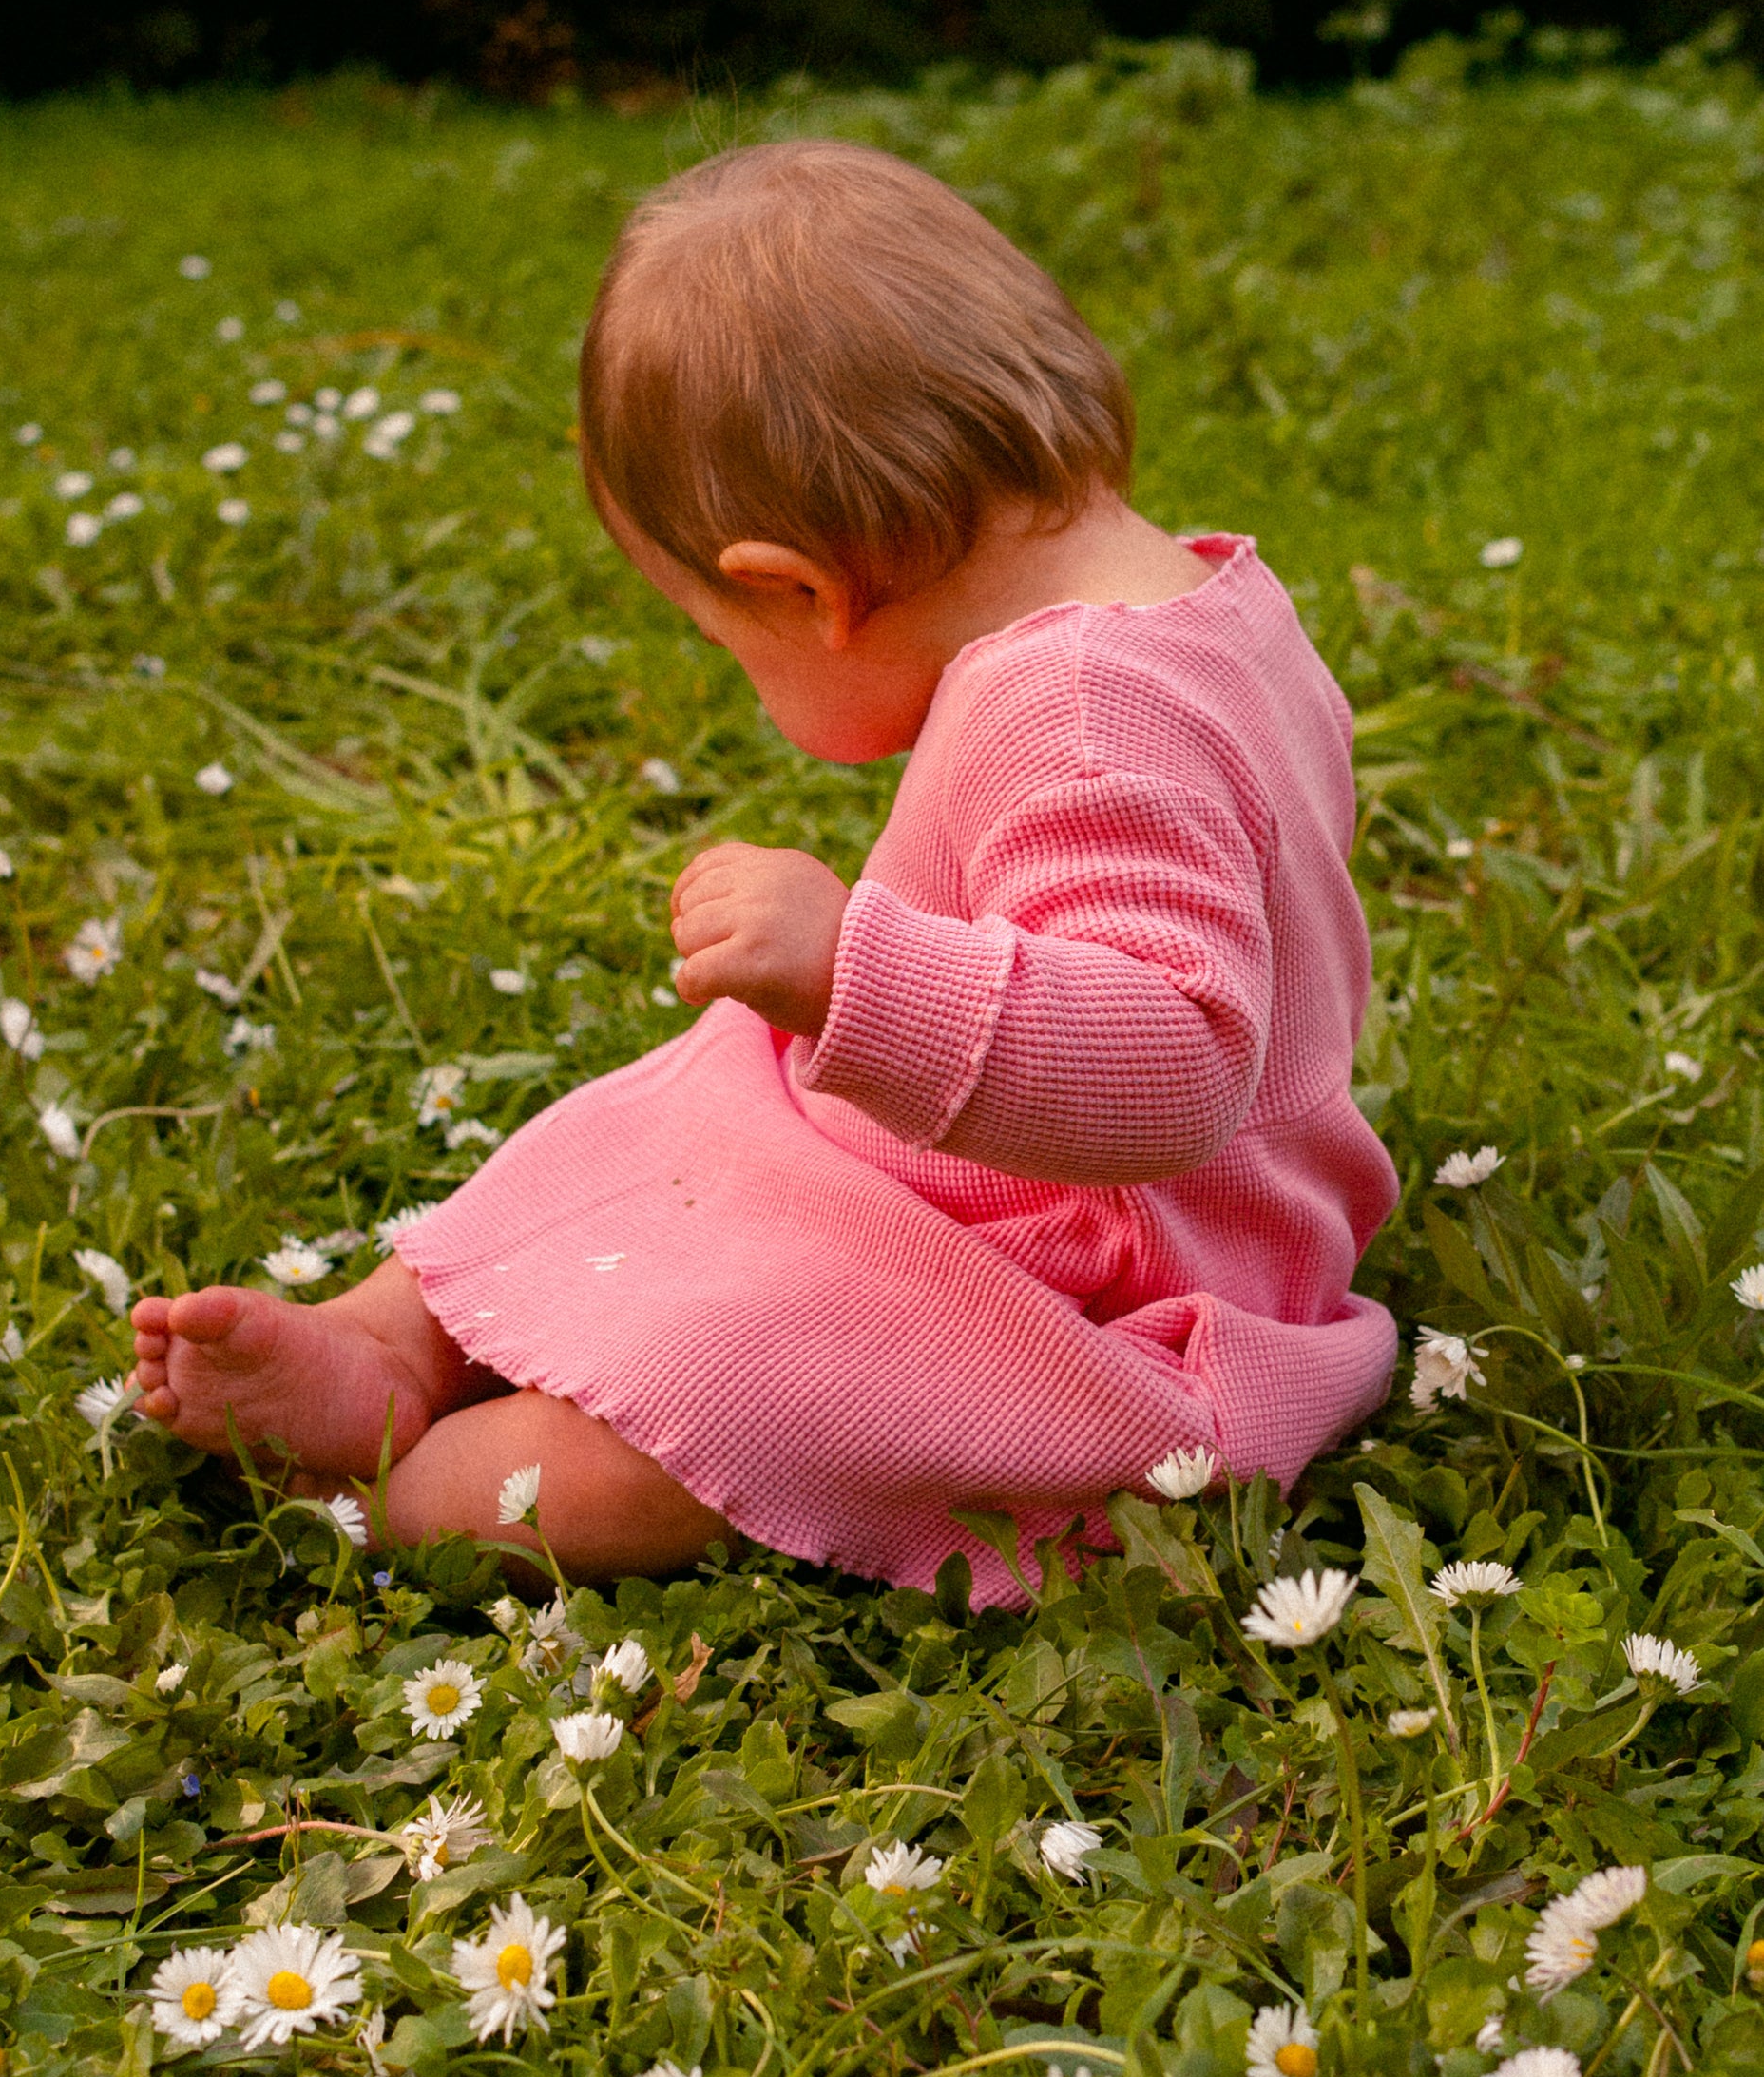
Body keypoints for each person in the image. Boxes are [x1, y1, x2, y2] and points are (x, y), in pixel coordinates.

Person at [130, 139, 1398, 1606]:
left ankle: (411, 1488)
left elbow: (1177, 1061)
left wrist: (860, 973)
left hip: (1093, 1273)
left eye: (725, 641)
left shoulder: (1083, 719)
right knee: (683, 1106)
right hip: (972, 1164)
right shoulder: (1213, 597)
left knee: (718, 1405)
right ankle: (388, 1336)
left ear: (799, 589)